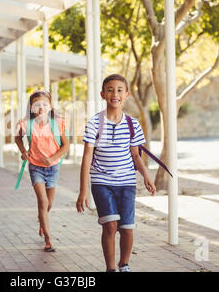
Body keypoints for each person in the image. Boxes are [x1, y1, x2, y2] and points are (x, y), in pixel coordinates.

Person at [76, 74, 156, 272]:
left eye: (120, 90)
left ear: (126, 94)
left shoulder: (133, 124)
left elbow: (136, 156)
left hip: (127, 182)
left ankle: (124, 264)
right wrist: (83, 191)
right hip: (101, 181)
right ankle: (110, 268)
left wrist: (146, 176)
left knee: (127, 227)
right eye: (110, 89)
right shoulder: (94, 123)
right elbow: (87, 157)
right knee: (111, 226)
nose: (115, 94)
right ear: (103, 94)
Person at [15, 90, 70, 252]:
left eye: (44, 104)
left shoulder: (57, 123)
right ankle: (48, 239)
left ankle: (42, 223)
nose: (41, 107)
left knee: (49, 204)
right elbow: (17, 138)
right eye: (37, 104)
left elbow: (66, 146)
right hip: (35, 167)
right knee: (43, 202)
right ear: (31, 107)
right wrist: (23, 151)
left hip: (53, 167)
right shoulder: (26, 124)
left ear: (50, 107)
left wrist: (53, 159)